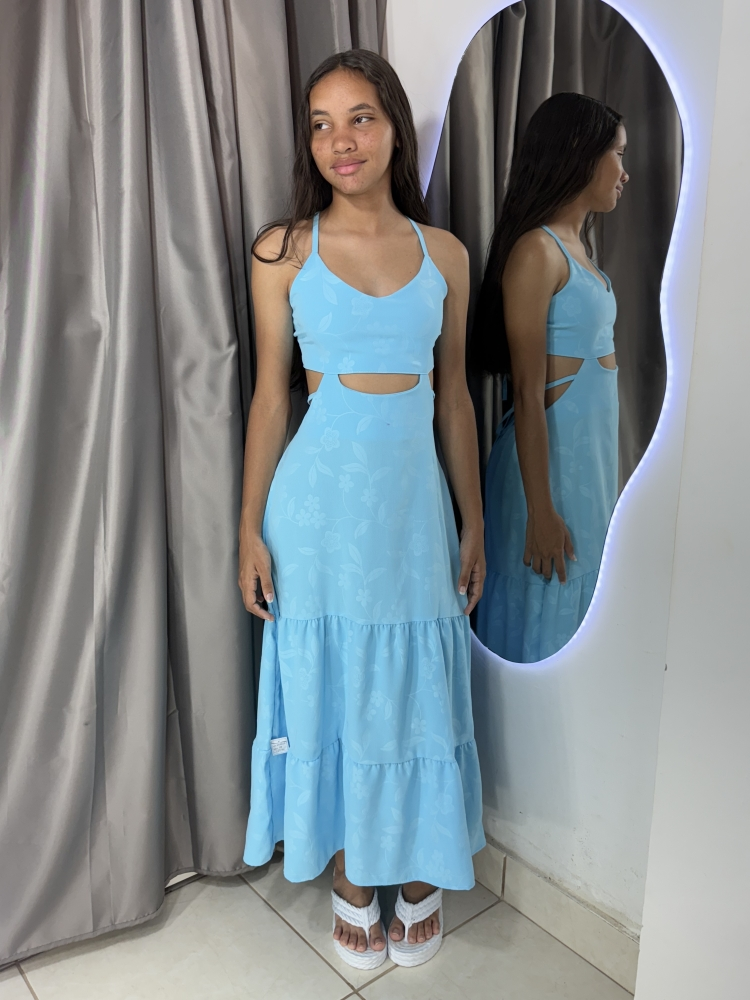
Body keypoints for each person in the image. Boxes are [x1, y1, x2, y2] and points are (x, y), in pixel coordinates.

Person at [238, 50, 485, 970]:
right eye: (321, 124)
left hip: (414, 513)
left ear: (394, 130)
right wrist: (247, 528)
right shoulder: (282, 252)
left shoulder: (446, 254)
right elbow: (271, 399)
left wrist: (474, 521)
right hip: (316, 515)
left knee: (416, 690)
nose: (340, 141)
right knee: (336, 691)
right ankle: (349, 873)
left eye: (361, 118)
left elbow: (453, 401)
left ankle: (419, 874)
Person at [473, 93, 628, 663]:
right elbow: (527, 393)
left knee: (583, 614)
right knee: (545, 610)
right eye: (618, 154)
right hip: (546, 477)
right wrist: (540, 510)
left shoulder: (576, 247)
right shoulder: (538, 251)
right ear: (580, 153)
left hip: (586, 468)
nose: (625, 173)